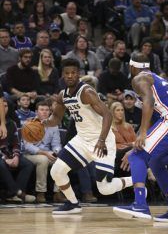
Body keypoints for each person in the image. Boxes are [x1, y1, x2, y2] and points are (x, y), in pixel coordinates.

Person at [113, 52, 168, 223]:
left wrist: (142, 134)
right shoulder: (155, 78)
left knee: (137, 155)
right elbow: (154, 115)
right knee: (156, 163)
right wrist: (140, 137)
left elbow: (149, 102)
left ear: (132, 66)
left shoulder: (139, 79)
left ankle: (140, 204)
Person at [43, 58, 132, 215]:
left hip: (102, 141)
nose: (70, 76)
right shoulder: (63, 95)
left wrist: (101, 140)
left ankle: (137, 179)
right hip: (82, 139)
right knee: (56, 171)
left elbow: (107, 115)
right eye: (67, 73)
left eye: (73, 73)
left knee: (105, 189)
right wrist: (42, 123)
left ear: (79, 74)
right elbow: (55, 119)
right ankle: (73, 204)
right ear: (62, 75)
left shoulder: (86, 92)